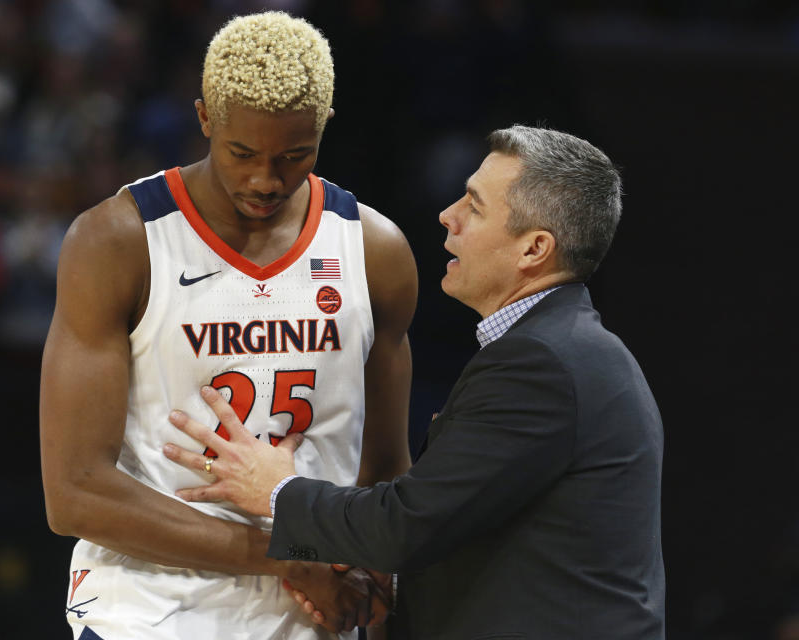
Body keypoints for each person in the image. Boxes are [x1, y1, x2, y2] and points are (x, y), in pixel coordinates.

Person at [164, 125, 666, 639]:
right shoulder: (566, 351)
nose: (449, 216)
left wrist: (275, 490)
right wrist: (395, 584)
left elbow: (406, 524)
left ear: (534, 249)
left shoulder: (541, 365)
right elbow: (483, 537)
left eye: (474, 205)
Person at [38, 10, 416, 640]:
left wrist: (377, 582)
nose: (265, 179)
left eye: (294, 156)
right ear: (205, 117)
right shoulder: (118, 240)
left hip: (314, 612)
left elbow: (383, 468)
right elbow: (75, 492)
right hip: (150, 609)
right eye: (243, 153)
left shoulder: (374, 251)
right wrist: (288, 556)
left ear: (323, 127)